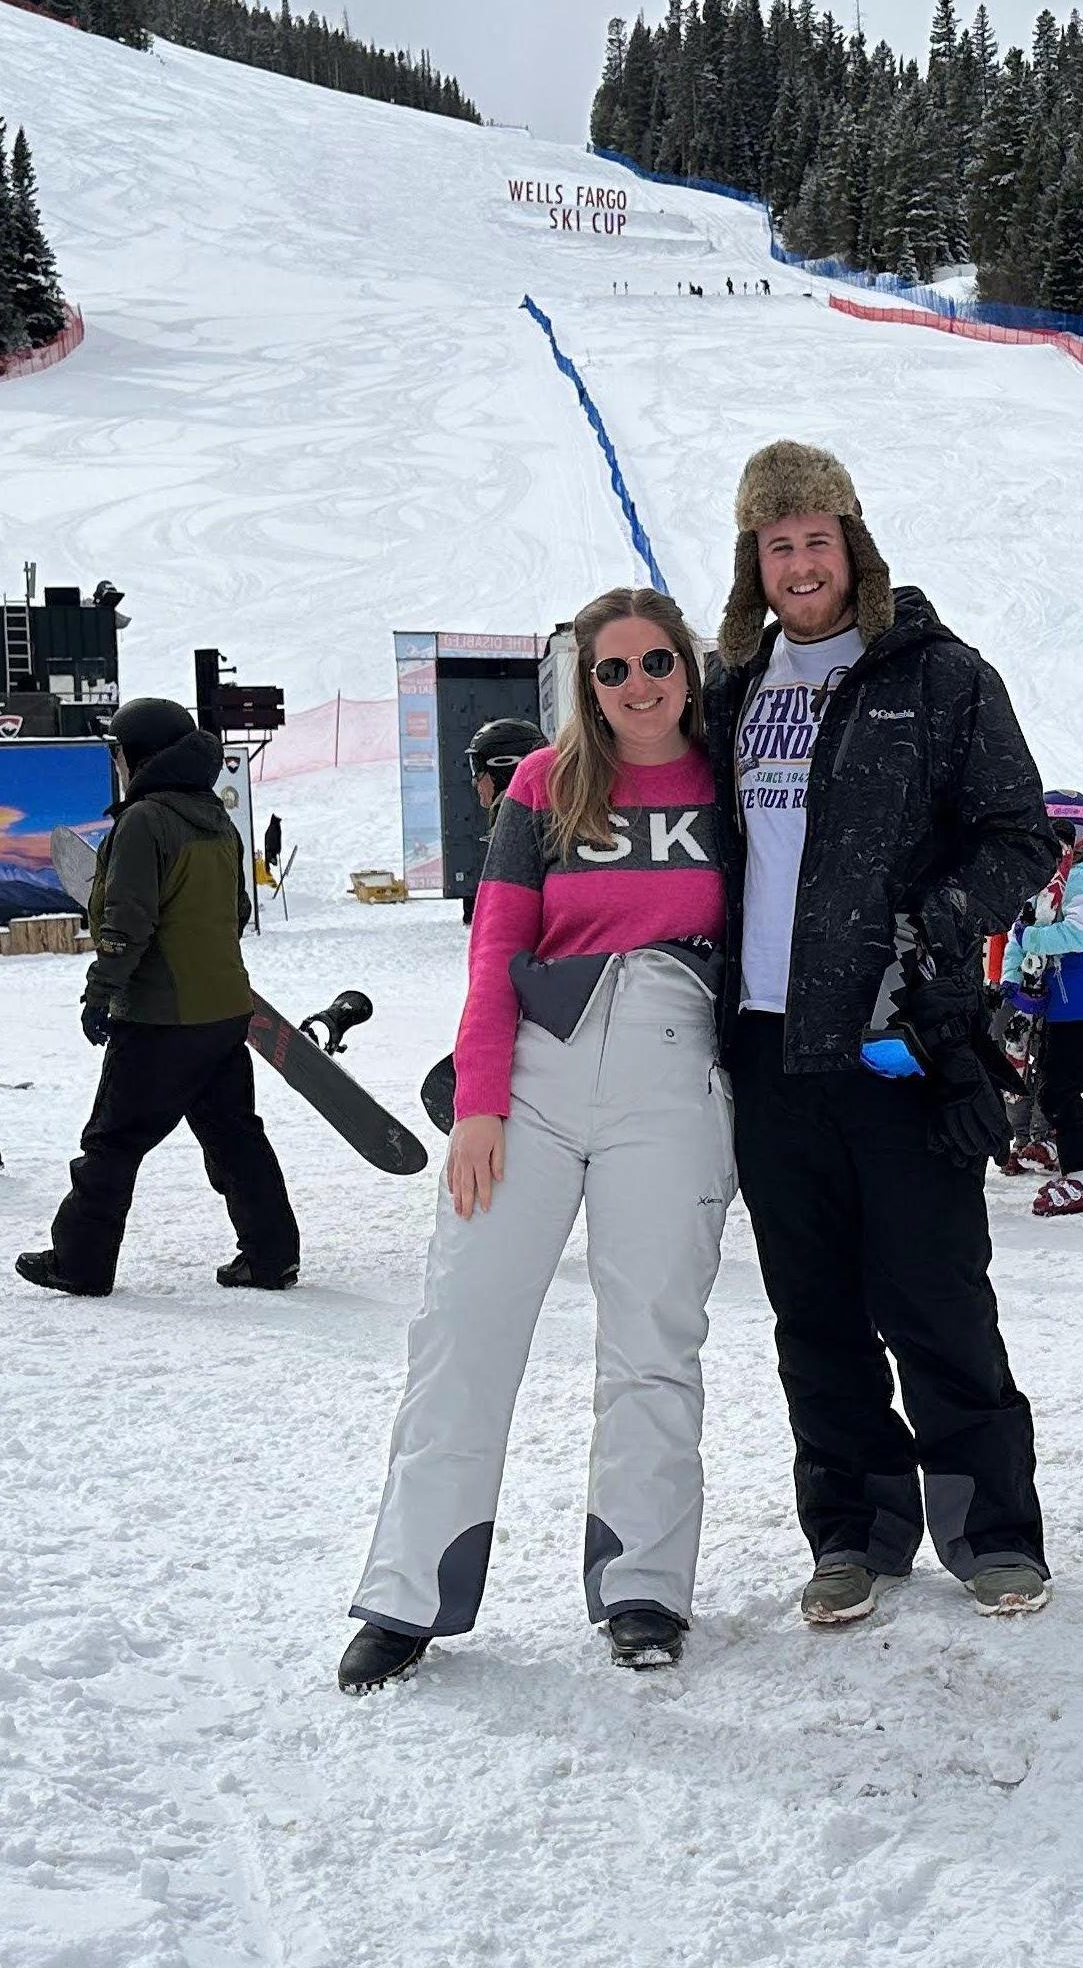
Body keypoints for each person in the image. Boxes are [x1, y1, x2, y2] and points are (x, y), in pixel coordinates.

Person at [342, 588, 733, 1691]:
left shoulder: (728, 783)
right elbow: (495, 945)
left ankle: (643, 1584)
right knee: (462, 1326)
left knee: (652, 1338)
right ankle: (408, 1589)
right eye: (612, 669)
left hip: (672, 1068)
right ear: (584, 682)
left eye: (657, 661)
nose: (638, 684)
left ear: (687, 669)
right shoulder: (541, 786)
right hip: (536, 1072)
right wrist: (477, 1100)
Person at [707, 439, 1057, 1628]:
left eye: (817, 537)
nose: (800, 562)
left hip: (896, 1039)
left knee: (933, 1298)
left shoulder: (936, 674)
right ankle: (853, 1532)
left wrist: (935, 920)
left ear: (852, 543)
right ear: (752, 561)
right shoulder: (731, 688)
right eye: (777, 542)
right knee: (812, 1311)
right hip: (763, 1044)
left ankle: (992, 1530)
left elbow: (1020, 830)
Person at [17, 697, 299, 1298]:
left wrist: (102, 994)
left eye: (119, 751)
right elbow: (237, 912)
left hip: (161, 1016)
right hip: (224, 1011)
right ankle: (271, 1256)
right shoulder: (214, 816)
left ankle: (80, 1263)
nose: (116, 762)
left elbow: (126, 923)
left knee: (113, 1141)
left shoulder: (144, 821)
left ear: (138, 754)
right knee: (234, 1136)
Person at [1002, 789, 1083, 1216]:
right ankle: (1062, 1152)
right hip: (1058, 999)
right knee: (1046, 1082)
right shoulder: (1043, 876)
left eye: (1071, 831)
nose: (1061, 839)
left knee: (1059, 1091)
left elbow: (1079, 934)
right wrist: (1011, 980)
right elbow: (1022, 926)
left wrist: (1028, 938)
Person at [460, 716, 547, 925]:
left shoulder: (519, 825)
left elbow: (510, 911)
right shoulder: (545, 816)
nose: (474, 780)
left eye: (478, 768)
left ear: (503, 768)